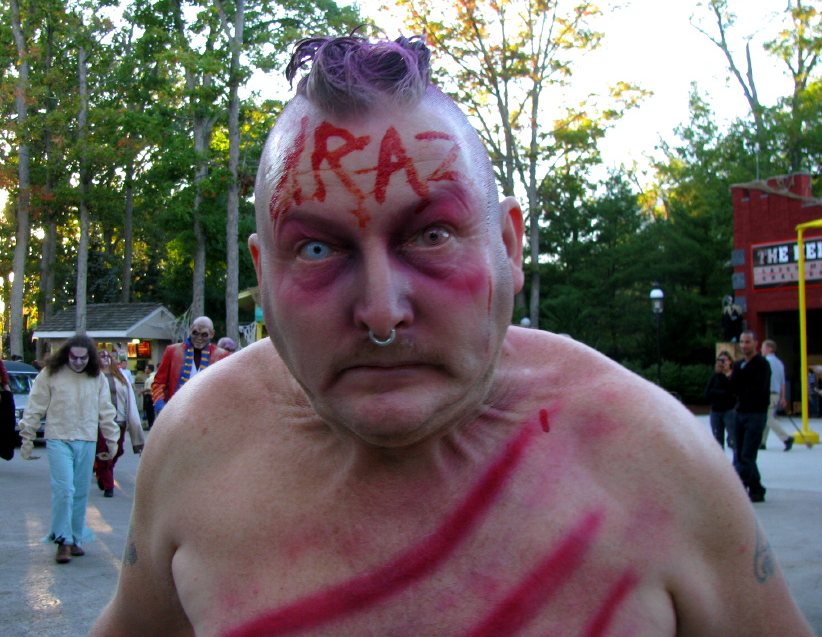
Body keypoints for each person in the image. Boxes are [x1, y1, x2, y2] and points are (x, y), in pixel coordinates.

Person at [91, 34, 811, 636]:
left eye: (431, 235)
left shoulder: (656, 460)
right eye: (317, 249)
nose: (380, 312)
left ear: (508, 243)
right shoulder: (199, 447)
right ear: (263, 273)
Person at [18, 334, 119, 564]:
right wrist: (27, 438)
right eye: (74, 358)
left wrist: (112, 440)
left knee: (81, 492)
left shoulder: (97, 377)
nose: (78, 363)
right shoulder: (50, 374)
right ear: (66, 355)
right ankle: (62, 541)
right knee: (64, 490)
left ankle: (75, 539)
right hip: (58, 438)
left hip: (86, 439)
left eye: (83, 359)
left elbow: (106, 410)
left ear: (90, 358)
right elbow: (34, 407)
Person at [150, 317, 230, 414]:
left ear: (212, 334)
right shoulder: (172, 351)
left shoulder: (221, 356)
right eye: (195, 333)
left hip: (208, 415)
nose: (199, 338)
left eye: (204, 335)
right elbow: (159, 383)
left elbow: (225, 388)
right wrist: (160, 407)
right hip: (175, 413)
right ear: (190, 329)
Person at [94, 349, 145, 497]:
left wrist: (131, 419)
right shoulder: (93, 377)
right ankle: (109, 486)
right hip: (101, 422)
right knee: (104, 452)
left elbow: (129, 397)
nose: (105, 359)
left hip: (119, 420)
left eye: (107, 356)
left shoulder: (121, 377)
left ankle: (101, 472)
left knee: (118, 450)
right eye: (101, 356)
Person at [730, 330, 772, 503]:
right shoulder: (739, 365)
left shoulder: (762, 365)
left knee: (747, 455)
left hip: (756, 414)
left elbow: (757, 390)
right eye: (742, 342)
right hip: (740, 413)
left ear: (756, 343)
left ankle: (738, 491)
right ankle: (757, 489)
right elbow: (733, 387)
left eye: (748, 342)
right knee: (740, 454)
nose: (744, 345)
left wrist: (741, 390)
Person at [760, 339, 794, 451]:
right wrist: (783, 397)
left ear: (770, 349)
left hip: (767, 393)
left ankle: (786, 438)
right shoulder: (779, 363)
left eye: (763, 347)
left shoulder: (765, 362)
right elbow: (783, 382)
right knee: (767, 417)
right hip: (776, 394)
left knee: (768, 418)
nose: (761, 350)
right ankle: (762, 442)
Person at [704, 350, 736, 450]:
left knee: (734, 438)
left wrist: (718, 392)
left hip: (730, 410)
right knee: (717, 440)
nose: (722, 363)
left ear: (730, 361)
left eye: (724, 360)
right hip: (716, 411)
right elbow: (708, 393)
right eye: (720, 360)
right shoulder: (715, 376)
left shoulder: (733, 375)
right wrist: (721, 393)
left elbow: (732, 392)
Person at [141, 364, 157, 429]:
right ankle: (149, 424)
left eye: (146, 368)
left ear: (150, 369)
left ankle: (151, 425)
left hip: (149, 395)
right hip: (147, 395)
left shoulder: (151, 378)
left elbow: (149, 388)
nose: (145, 370)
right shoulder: (149, 377)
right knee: (148, 411)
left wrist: (142, 391)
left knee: (150, 411)